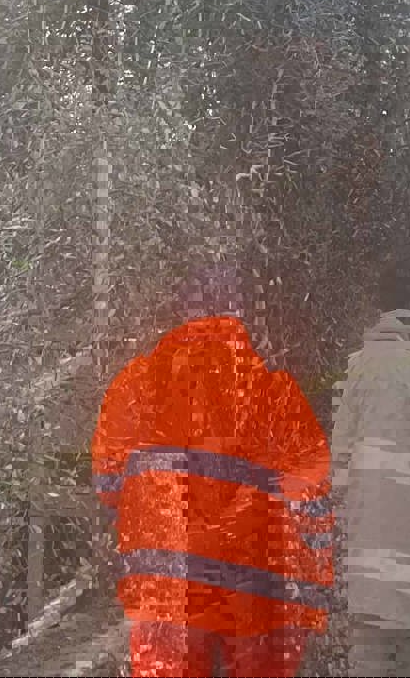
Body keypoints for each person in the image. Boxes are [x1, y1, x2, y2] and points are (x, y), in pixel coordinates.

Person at [92, 259, 336, 677]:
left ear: (176, 312)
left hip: (167, 587)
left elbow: (108, 484)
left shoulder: (135, 385)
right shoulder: (273, 391)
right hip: (257, 588)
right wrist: (314, 589)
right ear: (240, 315)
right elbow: (310, 495)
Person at [330, 295, 410, 677]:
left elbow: (343, 432)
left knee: (368, 555)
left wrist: (338, 479)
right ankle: (400, 627)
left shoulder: (358, 368)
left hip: (366, 480)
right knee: (404, 553)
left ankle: (371, 638)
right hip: (405, 479)